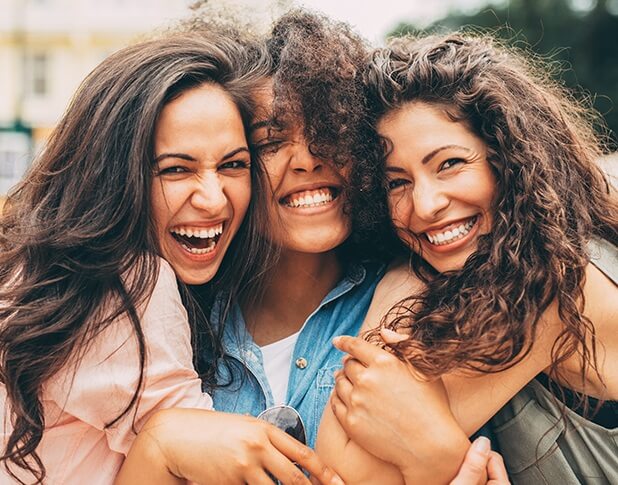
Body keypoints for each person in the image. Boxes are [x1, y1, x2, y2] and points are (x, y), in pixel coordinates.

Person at [0, 31, 338, 485]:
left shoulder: (41, 272)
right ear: (112, 176)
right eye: (176, 169)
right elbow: (207, 465)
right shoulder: (125, 284)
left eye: (233, 165)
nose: (213, 198)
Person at [316, 32, 618, 484]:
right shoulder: (558, 243)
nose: (425, 205)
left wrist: (400, 277)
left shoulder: (551, 288)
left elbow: (344, 469)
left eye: (450, 164)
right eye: (396, 182)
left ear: (512, 160)